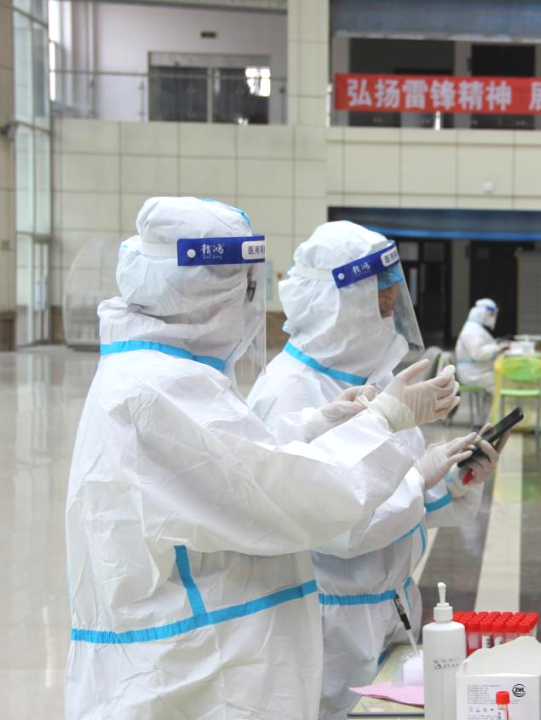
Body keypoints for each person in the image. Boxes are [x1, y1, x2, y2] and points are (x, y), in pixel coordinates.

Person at [65, 198, 456, 720]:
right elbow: (290, 499)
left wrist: (316, 425)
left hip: (202, 660)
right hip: (196, 674)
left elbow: (239, 464)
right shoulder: (161, 388)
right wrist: (386, 422)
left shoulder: (162, 375)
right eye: (245, 288)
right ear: (210, 292)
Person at [247, 221, 504, 720]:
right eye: (377, 297)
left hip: (390, 604)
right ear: (334, 304)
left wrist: (450, 481)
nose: (390, 305)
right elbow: (333, 527)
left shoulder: (371, 377)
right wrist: (418, 478)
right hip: (330, 620)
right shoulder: (290, 391)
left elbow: (394, 499)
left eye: (392, 293)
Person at [455, 298, 506, 394]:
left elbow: (484, 345)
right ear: (482, 313)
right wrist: (498, 347)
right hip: (473, 374)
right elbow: (478, 353)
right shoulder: (471, 330)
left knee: (504, 375)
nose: (493, 317)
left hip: (477, 370)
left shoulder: (476, 328)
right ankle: (502, 403)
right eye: (491, 314)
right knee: (506, 379)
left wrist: (497, 344)